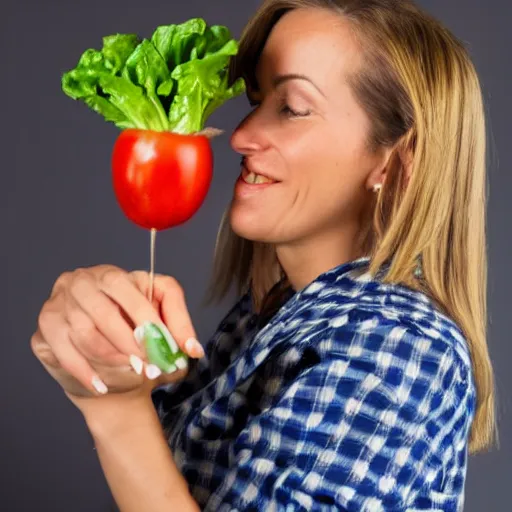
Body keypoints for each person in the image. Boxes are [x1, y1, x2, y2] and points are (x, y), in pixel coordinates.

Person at [31, 0, 497, 510]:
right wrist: (108, 368)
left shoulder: (397, 347)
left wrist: (117, 409)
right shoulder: (265, 319)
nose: (241, 135)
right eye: (256, 100)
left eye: (292, 108)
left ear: (395, 163)